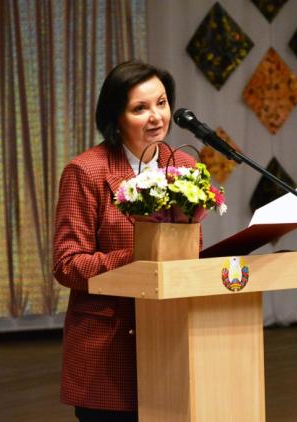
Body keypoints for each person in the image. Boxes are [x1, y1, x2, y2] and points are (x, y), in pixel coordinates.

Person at [52, 61, 197, 421]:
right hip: (109, 348)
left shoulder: (184, 166)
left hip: (172, 341)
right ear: (115, 117)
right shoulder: (86, 171)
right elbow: (67, 265)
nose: (156, 117)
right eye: (140, 108)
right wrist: (140, 256)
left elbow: (188, 250)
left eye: (162, 103)